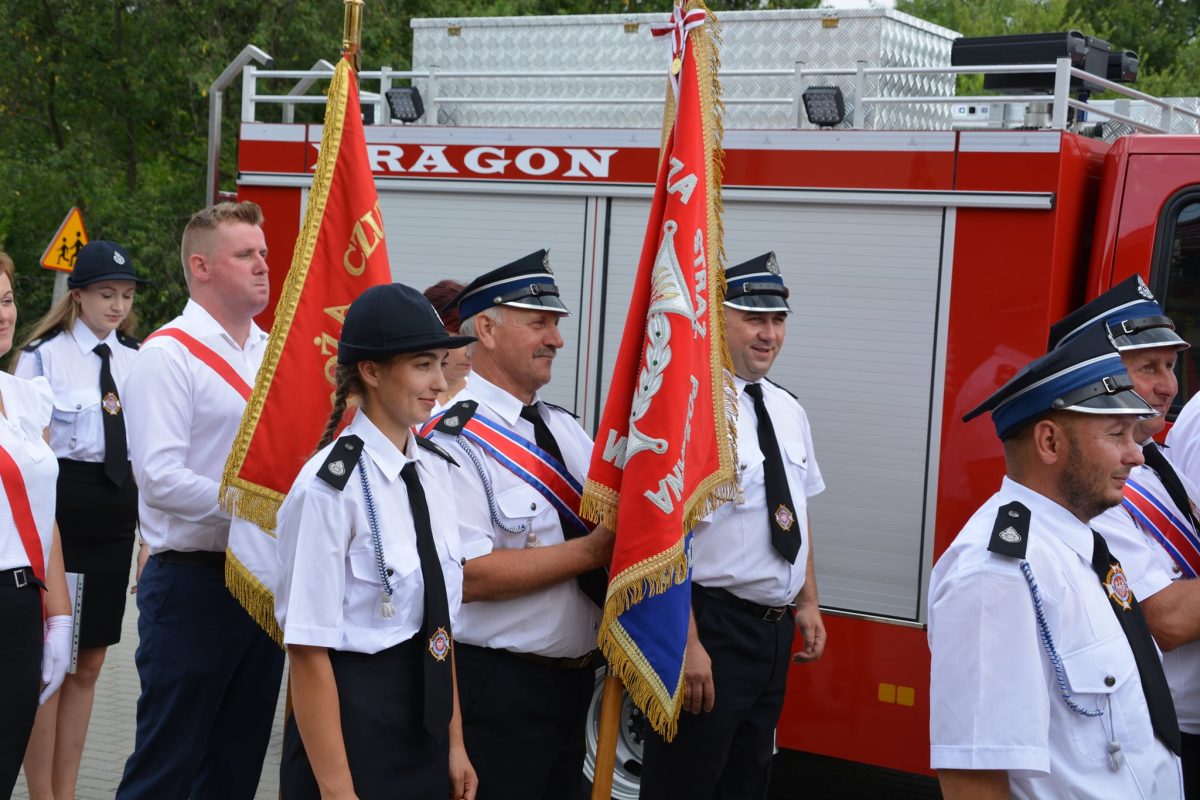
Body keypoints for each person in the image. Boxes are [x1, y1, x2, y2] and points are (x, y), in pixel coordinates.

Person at [929, 322, 1184, 799]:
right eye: (1116, 433)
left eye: (1135, 433)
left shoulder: (1079, 545)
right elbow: (974, 780)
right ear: (1049, 443)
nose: (1137, 455)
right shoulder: (998, 575)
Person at [274, 282, 477, 800]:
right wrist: (340, 792)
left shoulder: (432, 470)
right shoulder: (329, 489)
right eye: (422, 365)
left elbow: (439, 624)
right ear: (371, 370)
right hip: (353, 730)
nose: (438, 382)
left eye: (441, 364)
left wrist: (454, 743)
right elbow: (307, 649)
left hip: (424, 729)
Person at [423, 250, 613, 799]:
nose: (555, 339)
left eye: (555, 325)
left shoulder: (567, 431)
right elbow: (469, 576)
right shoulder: (449, 439)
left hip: (575, 687)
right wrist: (593, 552)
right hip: (497, 690)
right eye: (538, 323)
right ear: (485, 328)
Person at [638, 252, 826, 799]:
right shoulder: (686, 411)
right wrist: (687, 641)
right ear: (718, 321)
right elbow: (663, 532)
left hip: (772, 632)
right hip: (711, 626)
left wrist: (808, 602)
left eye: (778, 320)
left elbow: (799, 510)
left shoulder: (788, 408)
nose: (769, 335)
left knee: (748, 783)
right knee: (686, 783)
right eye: (753, 319)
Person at [116, 202, 284, 799]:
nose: (264, 265)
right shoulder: (168, 354)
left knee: (234, 770)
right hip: (192, 582)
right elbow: (159, 479)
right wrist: (258, 505)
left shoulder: (274, 353)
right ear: (201, 266)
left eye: (263, 253)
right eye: (246, 254)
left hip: (260, 581)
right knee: (167, 766)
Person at [1050, 275, 1200, 797]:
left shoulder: (1153, 460)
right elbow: (1168, 620)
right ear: (1102, 375)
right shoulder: (1097, 484)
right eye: (1149, 368)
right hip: (1170, 723)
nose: (1169, 385)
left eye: (1171, 367)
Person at [12, 240, 146, 800]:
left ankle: (66, 790)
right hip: (61, 519)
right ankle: (43, 793)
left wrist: (146, 535)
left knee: (88, 664)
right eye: (105, 294)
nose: (116, 306)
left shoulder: (139, 357)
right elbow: (27, 457)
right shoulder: (42, 356)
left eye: (125, 295)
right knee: (52, 668)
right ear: (78, 295)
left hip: (117, 518)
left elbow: (144, 451)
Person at [0, 250, 72, 798]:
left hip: (23, 602)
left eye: (5, 300)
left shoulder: (25, 397)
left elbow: (43, 516)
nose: (3, 313)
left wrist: (60, 616)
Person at [423, 279, 471, 405]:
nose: (469, 352)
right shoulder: (407, 400)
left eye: (474, 337)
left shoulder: (487, 396)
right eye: (460, 339)